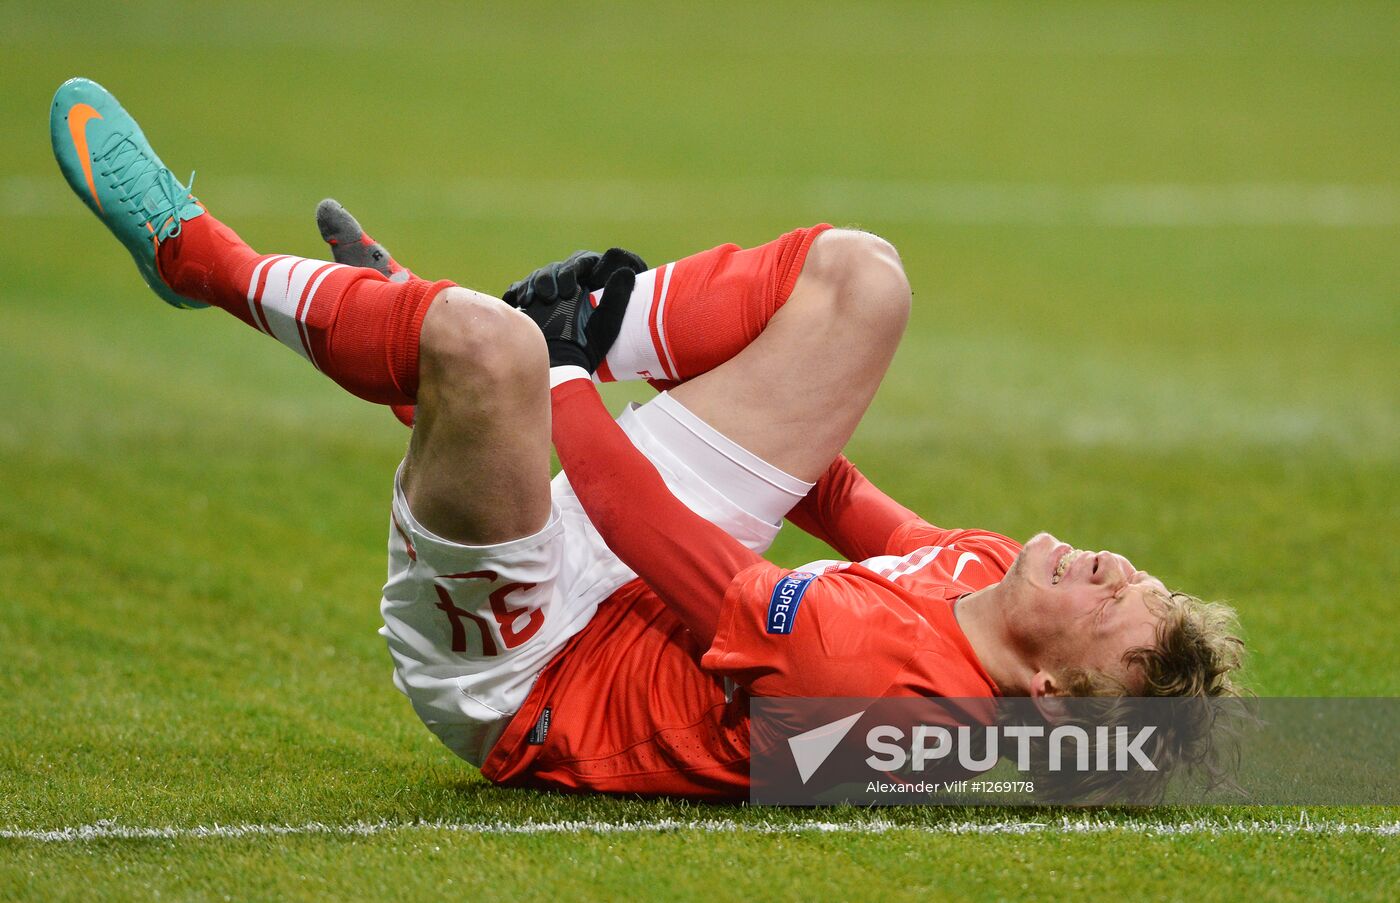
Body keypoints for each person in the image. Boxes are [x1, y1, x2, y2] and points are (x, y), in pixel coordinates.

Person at [51, 78, 1244, 800]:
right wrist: (678, 366)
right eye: (1131, 574)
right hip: (652, 574)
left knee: (493, 349)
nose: (1106, 563)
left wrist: (562, 373)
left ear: (1044, 695)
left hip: (535, 670)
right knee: (862, 286)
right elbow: (828, 493)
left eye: (1112, 606)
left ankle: (201, 263)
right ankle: (489, 379)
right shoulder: (983, 571)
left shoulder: (874, 700)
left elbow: (649, 534)